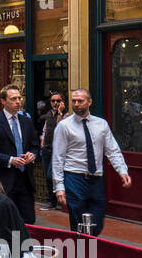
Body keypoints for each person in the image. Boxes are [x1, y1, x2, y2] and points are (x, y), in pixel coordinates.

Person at [51, 89, 131, 236]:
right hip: (74, 177)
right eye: (74, 101)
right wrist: (59, 186)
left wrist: (122, 170)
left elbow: (112, 150)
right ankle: (84, 254)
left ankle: (89, 246)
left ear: (89, 102)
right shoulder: (64, 126)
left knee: (98, 218)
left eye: (80, 101)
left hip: (96, 179)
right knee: (79, 221)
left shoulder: (101, 124)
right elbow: (58, 158)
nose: (76, 104)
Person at [0, 83, 40, 226]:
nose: (18, 102)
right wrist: (9, 160)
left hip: (25, 180)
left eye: (19, 98)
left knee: (28, 221)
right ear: (3, 101)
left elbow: (35, 146)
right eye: (13, 99)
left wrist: (33, 155)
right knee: (6, 222)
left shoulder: (27, 121)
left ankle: (25, 248)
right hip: (4, 181)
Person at [39, 91, 67, 209]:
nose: (55, 103)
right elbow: (46, 128)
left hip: (58, 150)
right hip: (47, 148)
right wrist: (42, 140)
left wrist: (60, 112)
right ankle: (52, 201)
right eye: (53, 101)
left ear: (63, 102)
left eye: (58, 101)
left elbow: (60, 127)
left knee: (52, 174)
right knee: (47, 175)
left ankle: (56, 200)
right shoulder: (49, 114)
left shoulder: (67, 115)